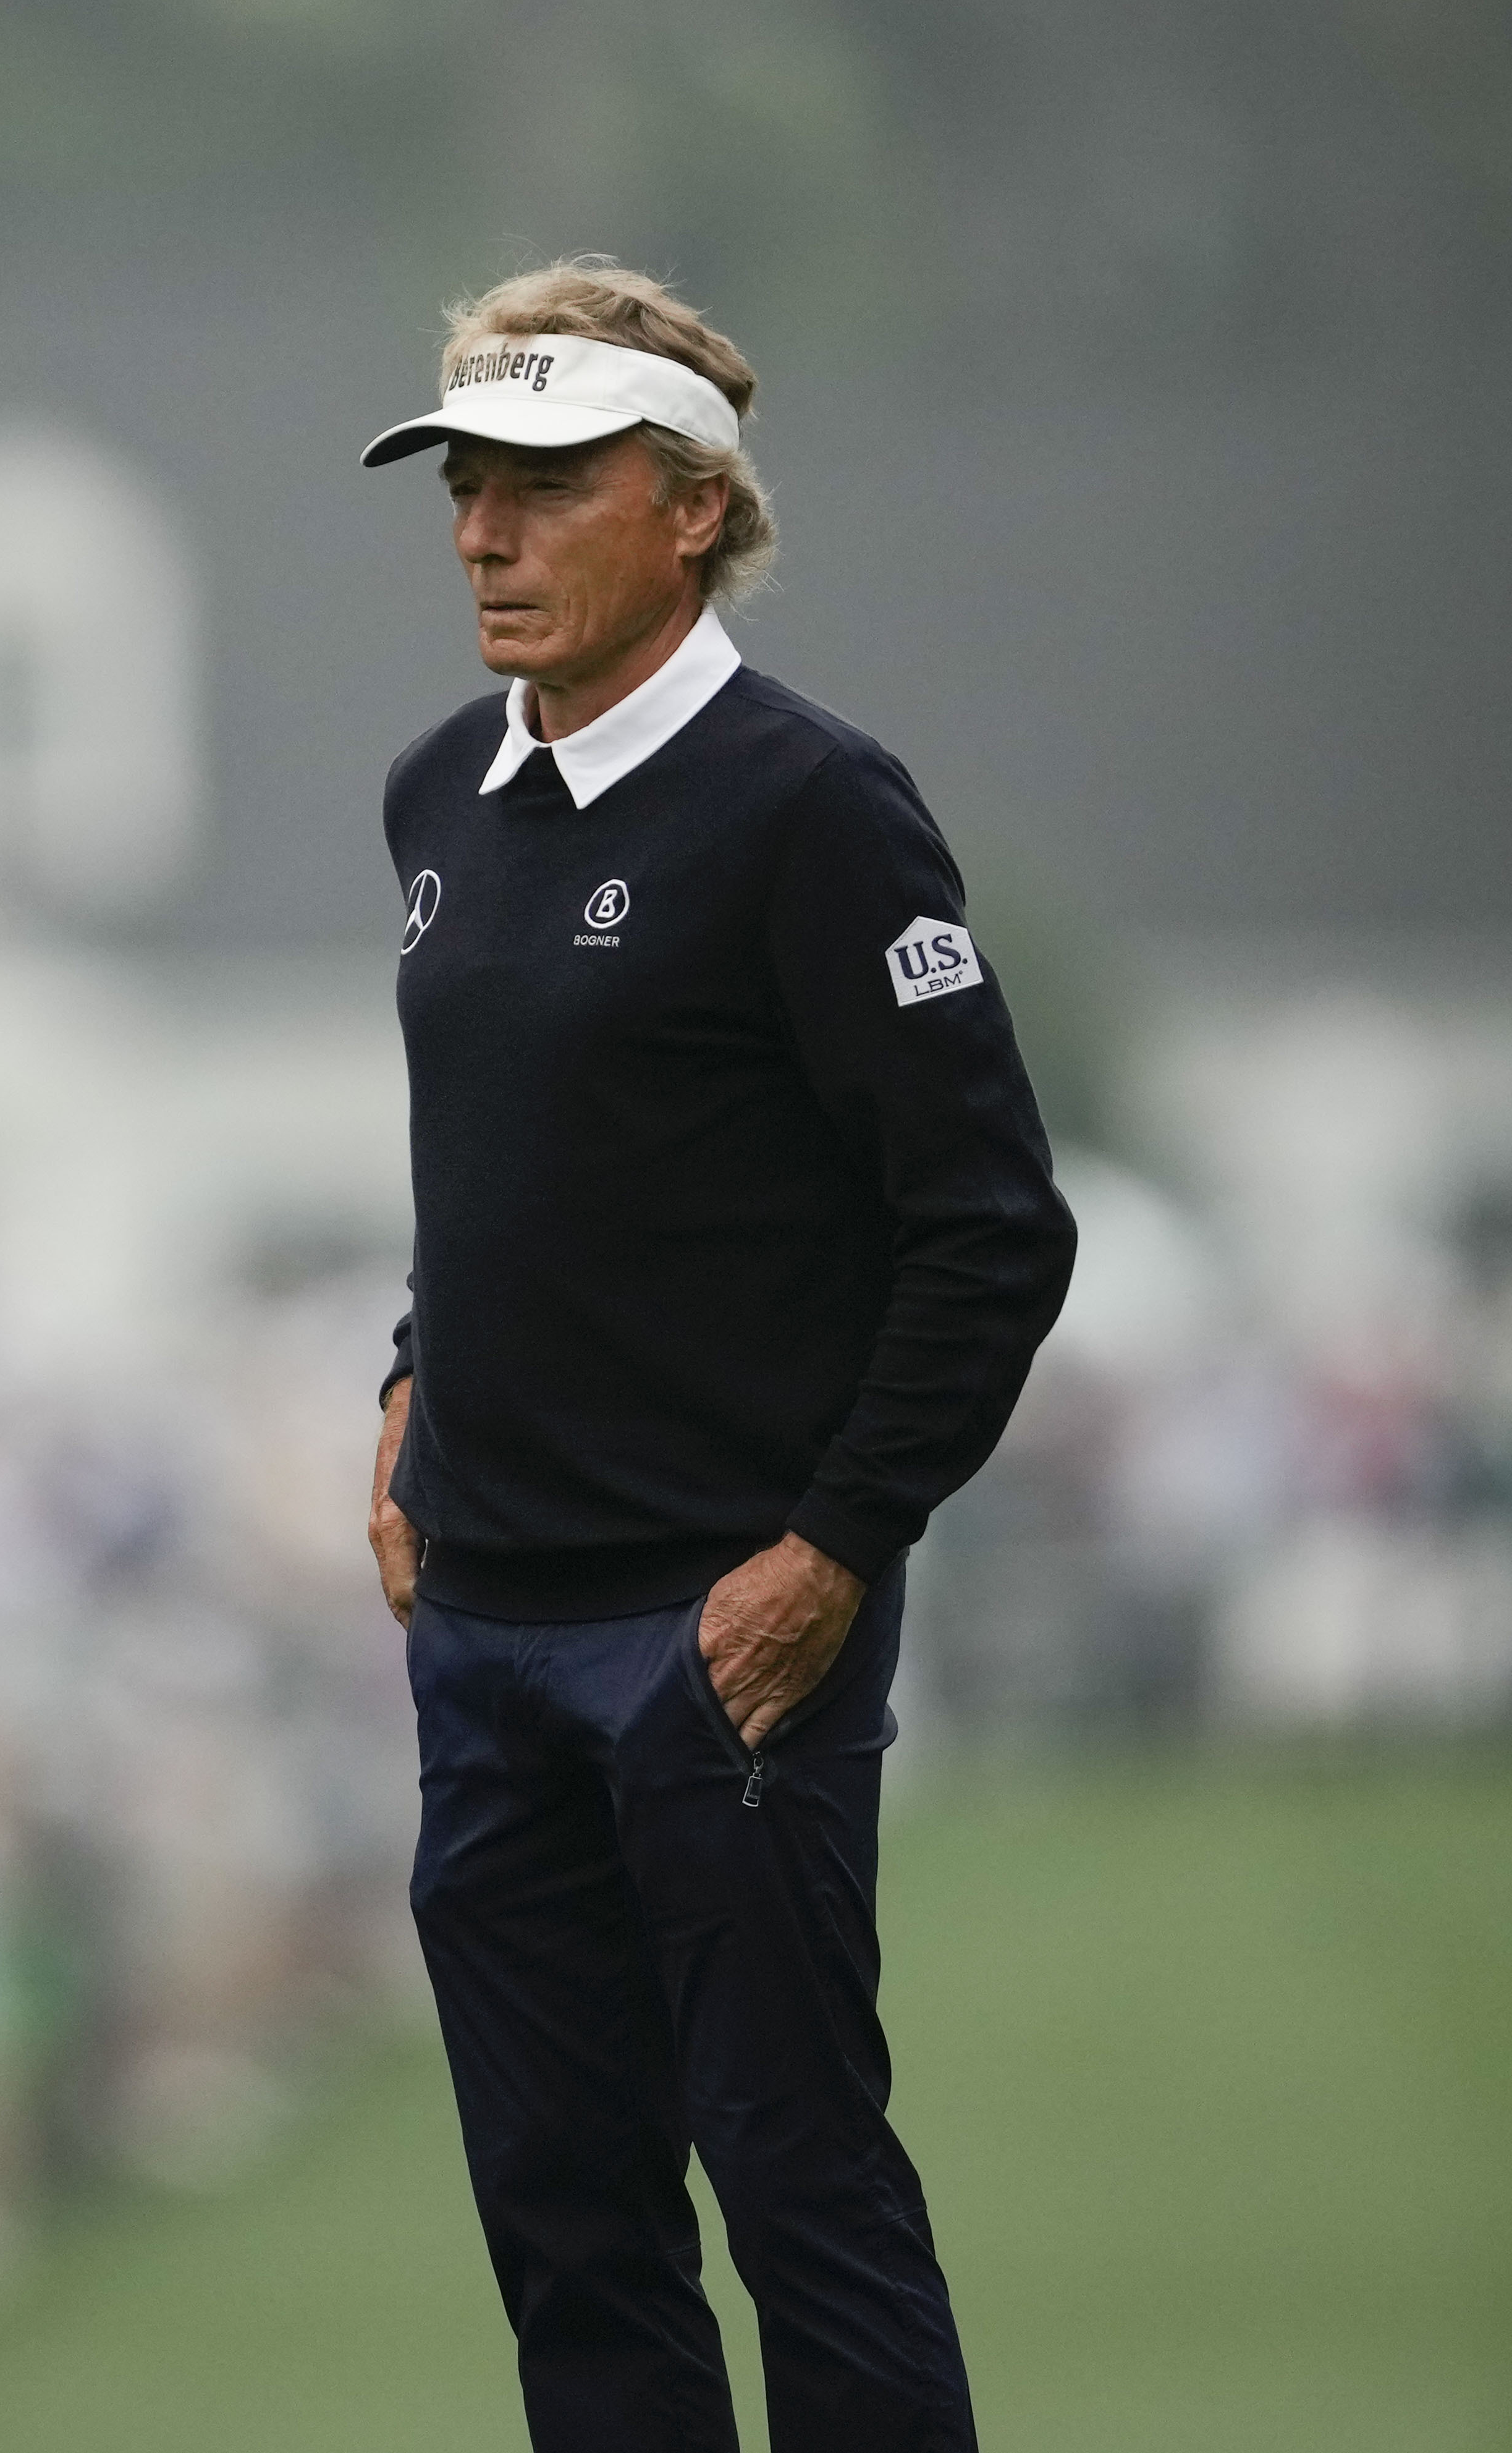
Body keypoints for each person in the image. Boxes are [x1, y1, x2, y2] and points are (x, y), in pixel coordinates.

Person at [355, 260, 1076, 2453]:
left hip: (717, 1632)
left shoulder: (808, 807)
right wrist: (411, 1378)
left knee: (800, 2192)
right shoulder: (433, 797)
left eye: (544, 486)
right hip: (483, 1627)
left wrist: (836, 1543)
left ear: (687, 508)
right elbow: (517, 1164)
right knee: (566, 2222)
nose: (483, 531)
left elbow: (988, 1224)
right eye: (466, 483)